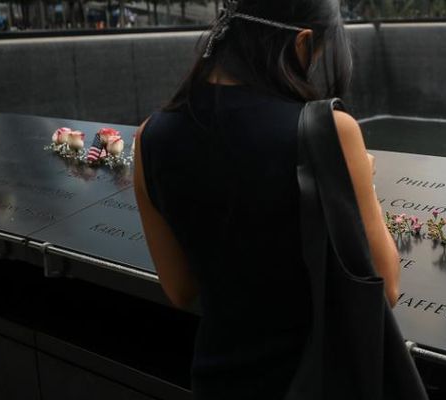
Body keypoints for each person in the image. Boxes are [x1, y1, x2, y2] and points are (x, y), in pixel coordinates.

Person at [131, 0, 402, 398]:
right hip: (310, 383)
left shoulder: (149, 137)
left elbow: (180, 289)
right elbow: (385, 289)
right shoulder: (329, 132)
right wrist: (364, 179)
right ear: (303, 42)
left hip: (216, 380)